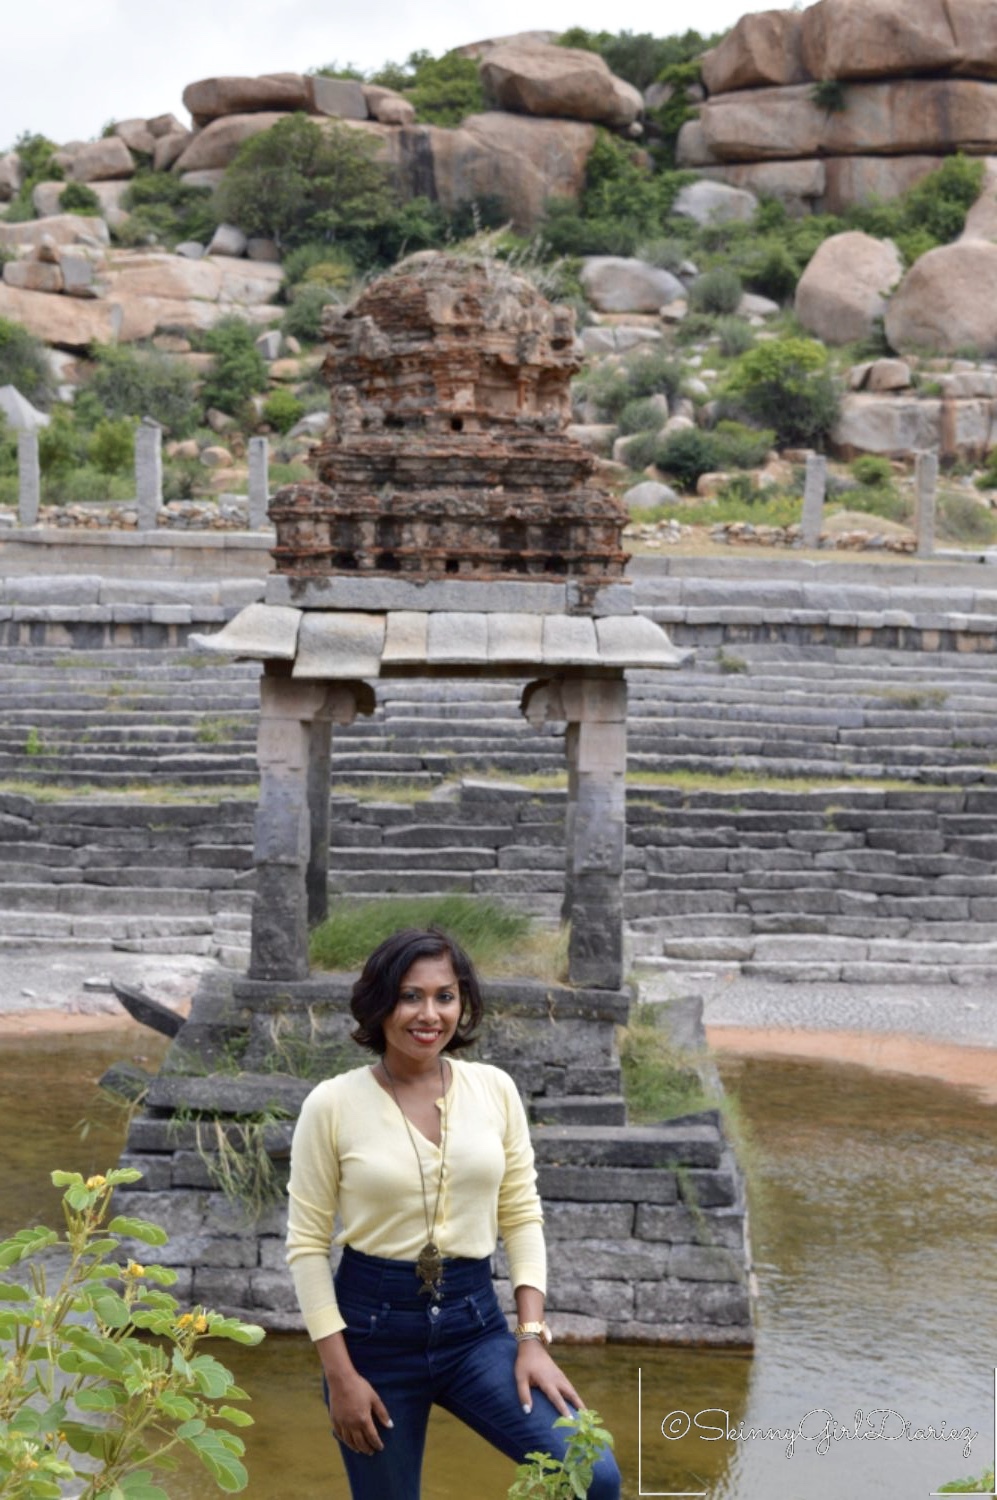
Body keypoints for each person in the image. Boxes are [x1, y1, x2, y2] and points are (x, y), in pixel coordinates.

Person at [285, 926, 621, 1500]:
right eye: (410, 996)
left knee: (591, 1476)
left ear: (462, 1003)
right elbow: (307, 1247)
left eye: (445, 996)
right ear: (380, 1003)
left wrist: (531, 1339)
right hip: (372, 1334)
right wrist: (341, 1377)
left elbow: (521, 1215)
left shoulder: (495, 1089)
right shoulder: (332, 1104)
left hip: (474, 1328)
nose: (429, 1014)